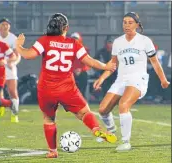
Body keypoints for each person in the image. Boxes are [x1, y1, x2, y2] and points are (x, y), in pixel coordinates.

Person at [15, 13, 117, 158]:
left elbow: (28, 55)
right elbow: (89, 61)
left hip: (46, 89)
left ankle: (53, 151)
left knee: (49, 119)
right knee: (85, 113)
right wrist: (106, 66)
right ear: (66, 28)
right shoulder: (73, 43)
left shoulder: (45, 40)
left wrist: (18, 45)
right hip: (67, 88)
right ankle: (95, 129)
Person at [93, 12, 170, 151]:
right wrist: (101, 78)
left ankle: (126, 142)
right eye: (124, 22)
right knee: (103, 110)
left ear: (137, 24)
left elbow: (155, 62)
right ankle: (111, 130)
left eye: (130, 22)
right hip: (121, 80)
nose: (127, 25)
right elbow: (113, 64)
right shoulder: (118, 42)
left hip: (138, 79)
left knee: (123, 104)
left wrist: (163, 80)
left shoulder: (145, 41)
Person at [0, 18, 20, 122]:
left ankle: (14, 114)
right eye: (3, 24)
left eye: (7, 24)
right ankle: (1, 107)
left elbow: (17, 55)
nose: (5, 26)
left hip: (10, 68)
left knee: (12, 91)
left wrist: (12, 62)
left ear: (9, 26)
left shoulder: (13, 39)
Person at [71, 32, 90, 98]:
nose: (74, 40)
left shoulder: (84, 49)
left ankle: (82, 97)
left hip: (82, 71)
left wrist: (80, 69)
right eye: (73, 38)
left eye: (76, 38)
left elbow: (86, 62)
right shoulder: (67, 49)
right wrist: (73, 70)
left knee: (84, 77)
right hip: (71, 71)